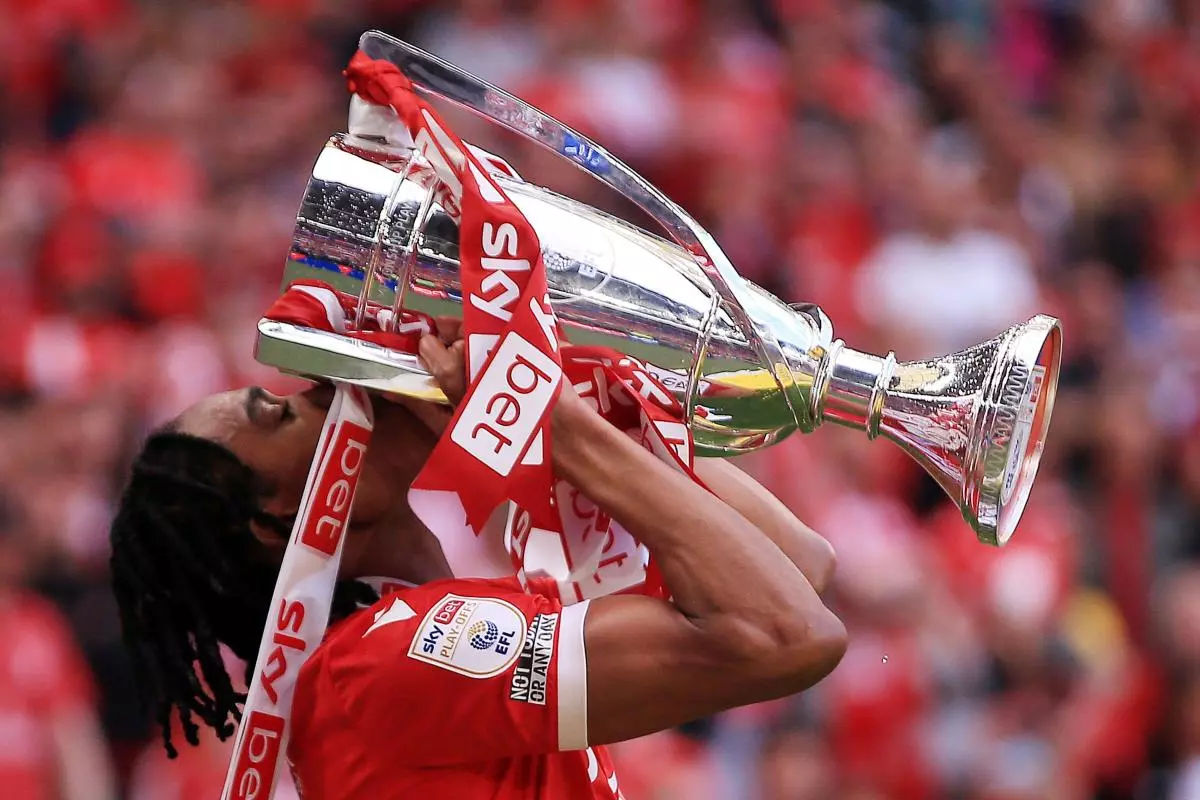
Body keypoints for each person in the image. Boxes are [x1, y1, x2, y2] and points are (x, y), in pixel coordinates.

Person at [109, 332, 845, 798]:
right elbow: (787, 633)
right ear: (274, 524)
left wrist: (567, 403)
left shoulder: (410, 631)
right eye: (280, 412)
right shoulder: (379, 665)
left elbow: (795, 564)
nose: (327, 390)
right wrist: (558, 430)